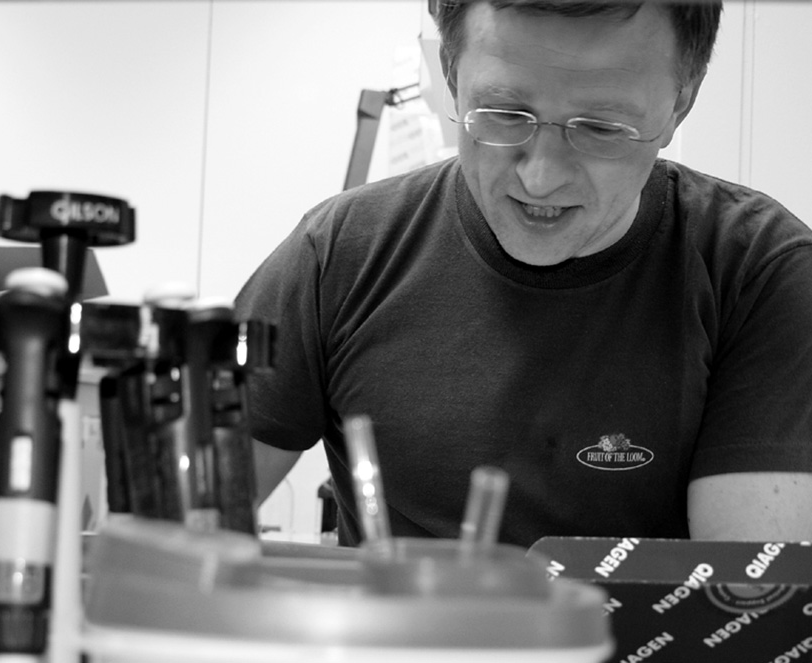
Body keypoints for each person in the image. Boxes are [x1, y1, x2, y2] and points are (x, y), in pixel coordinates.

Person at [235, 0, 812, 549]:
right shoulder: (339, 254)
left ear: (681, 102)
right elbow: (180, 517)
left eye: (601, 128)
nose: (540, 179)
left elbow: (745, 600)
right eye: (504, 115)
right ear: (451, 74)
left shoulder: (760, 274)